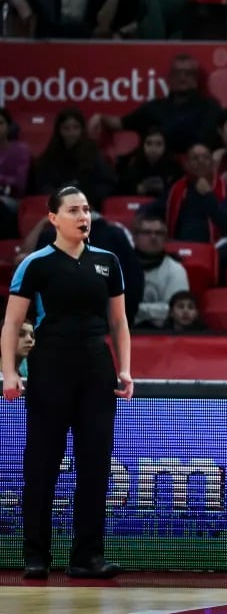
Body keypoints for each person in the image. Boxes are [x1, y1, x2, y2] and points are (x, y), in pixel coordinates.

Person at [2, 186, 133, 581]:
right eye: (74, 210)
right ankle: (36, 556)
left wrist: (125, 369)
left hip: (96, 366)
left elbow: (119, 322)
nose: (83, 217)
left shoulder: (108, 262)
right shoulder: (36, 264)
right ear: (54, 218)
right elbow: (11, 324)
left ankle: (86, 557)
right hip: (50, 366)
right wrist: (10, 373)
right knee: (41, 463)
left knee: (95, 465)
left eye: (87, 209)